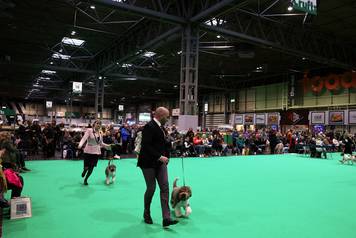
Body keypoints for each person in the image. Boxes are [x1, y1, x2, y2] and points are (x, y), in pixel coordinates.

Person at [137, 107, 178, 228]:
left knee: (165, 188)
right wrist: (160, 157)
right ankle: (146, 213)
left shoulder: (161, 127)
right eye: (167, 116)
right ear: (161, 115)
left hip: (160, 163)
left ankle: (166, 218)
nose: (168, 118)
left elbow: (161, 143)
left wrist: (172, 144)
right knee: (151, 188)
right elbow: (146, 146)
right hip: (148, 163)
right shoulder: (149, 126)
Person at [78, 120, 111, 185]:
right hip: (88, 151)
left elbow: (101, 143)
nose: (98, 125)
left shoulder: (101, 133)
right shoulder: (89, 130)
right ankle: (84, 171)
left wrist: (108, 146)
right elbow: (84, 138)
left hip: (96, 152)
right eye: (97, 123)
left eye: (100, 124)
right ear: (94, 124)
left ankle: (86, 179)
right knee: (86, 167)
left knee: (91, 168)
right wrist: (80, 144)